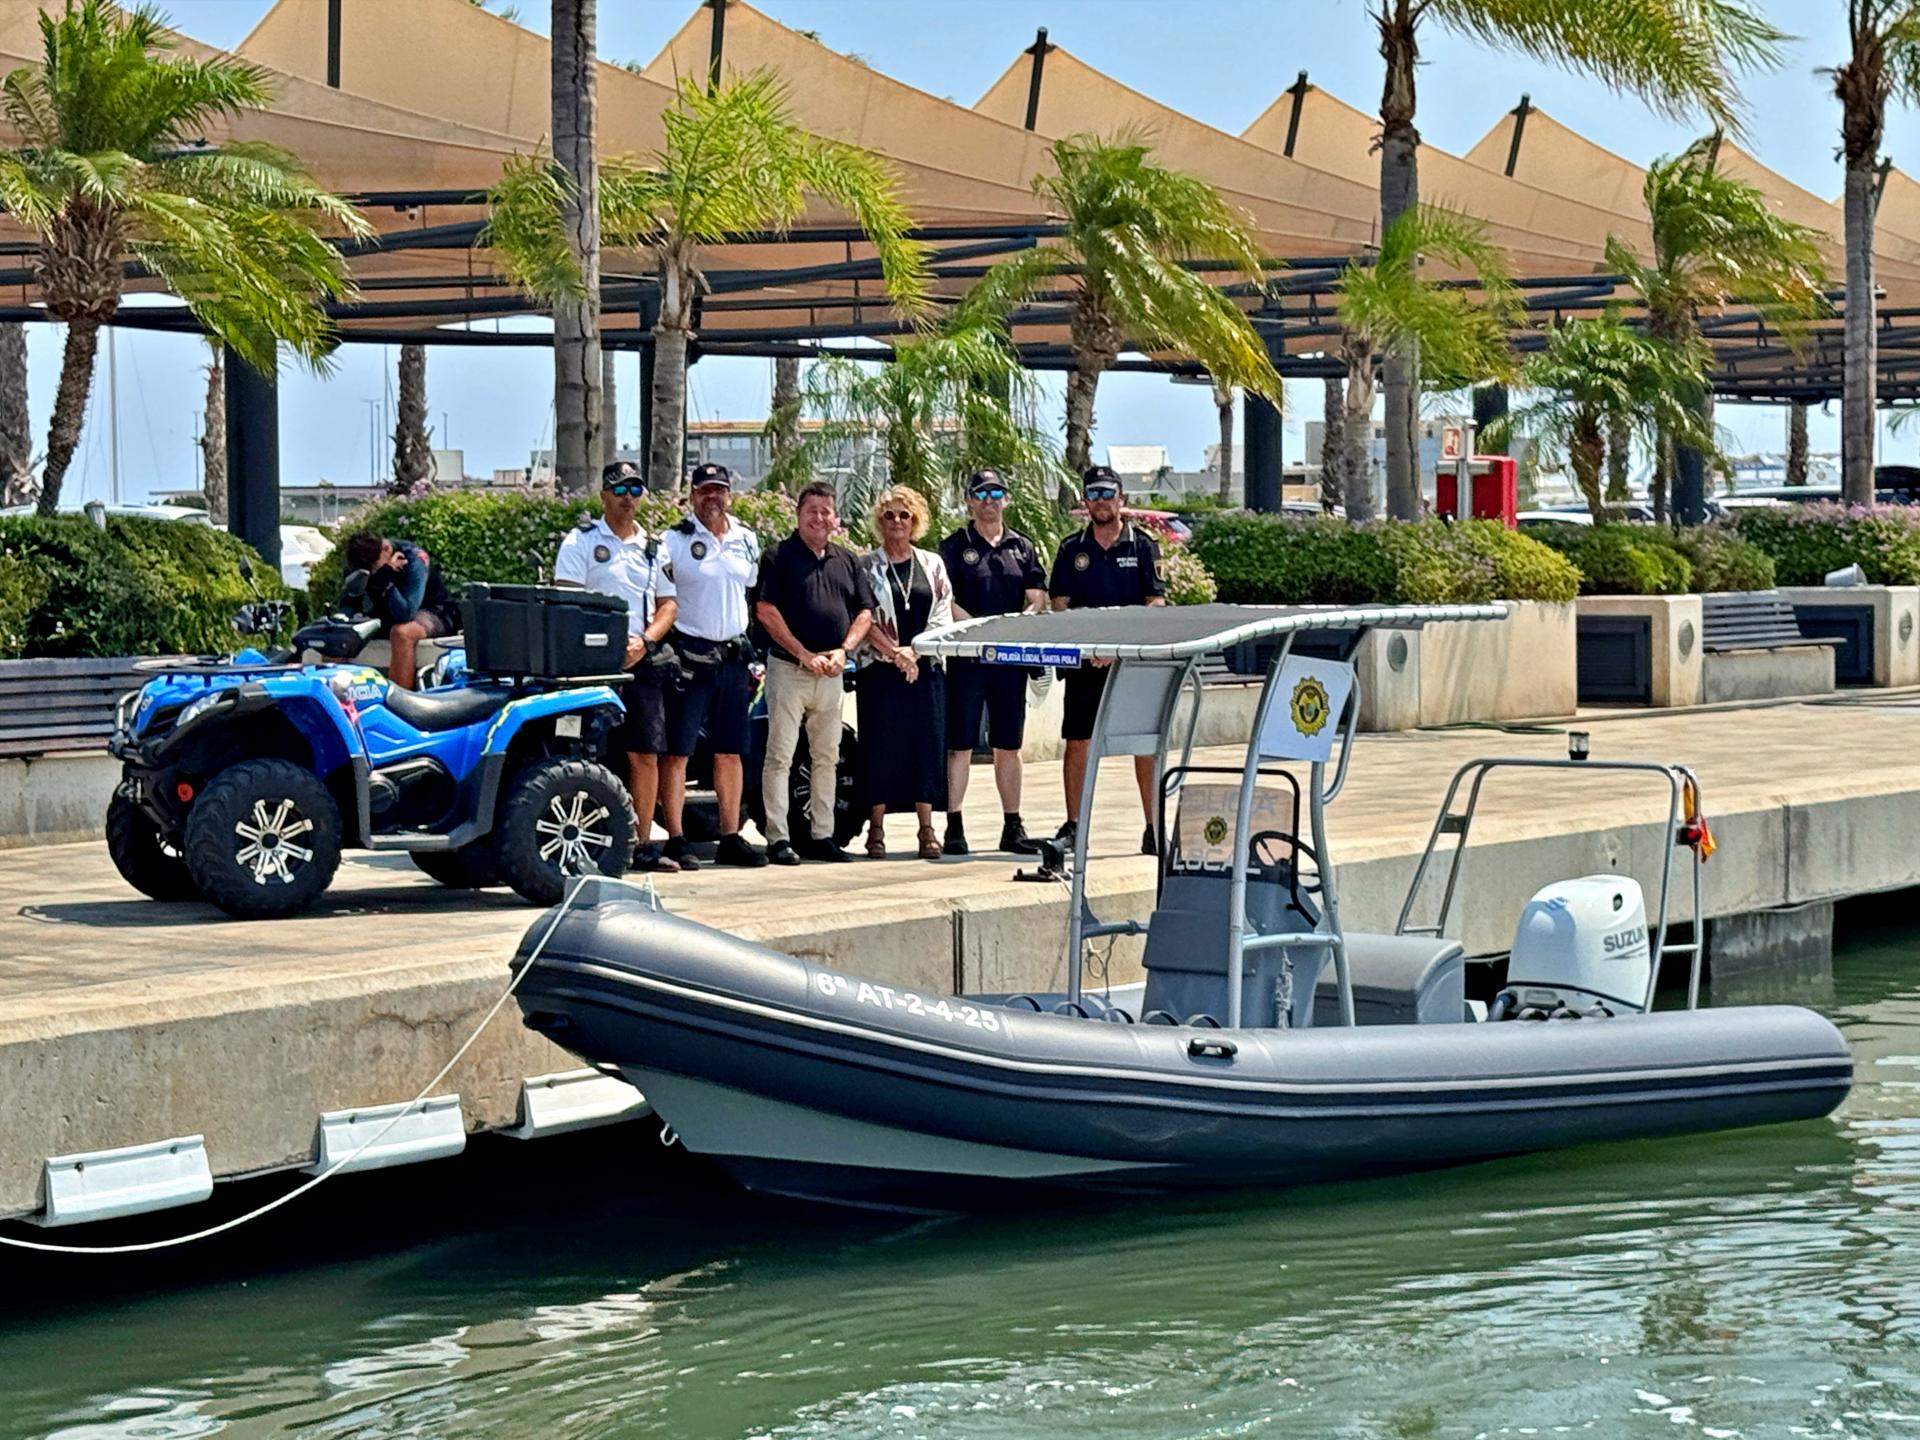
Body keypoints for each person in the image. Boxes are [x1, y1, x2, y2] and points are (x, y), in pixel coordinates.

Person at [554, 461, 680, 871]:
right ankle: (598, 843)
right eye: (620, 489)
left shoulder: (655, 546)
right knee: (592, 753)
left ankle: (642, 843)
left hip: (640, 660)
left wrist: (645, 640)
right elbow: (567, 601)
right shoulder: (581, 541)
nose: (628, 498)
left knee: (645, 753)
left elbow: (668, 605)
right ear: (604, 495)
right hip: (593, 664)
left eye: (635, 490)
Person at [1048, 464, 1167, 856]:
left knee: (1143, 745)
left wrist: (1116, 648)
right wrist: (1090, 649)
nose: (1101, 501)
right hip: (1084, 664)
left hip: (1130, 665)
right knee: (1077, 744)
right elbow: (1060, 607)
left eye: (1107, 493)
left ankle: (1153, 827)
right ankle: (1074, 827)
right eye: (1094, 494)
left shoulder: (1143, 545)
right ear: (1086, 501)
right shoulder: (1070, 549)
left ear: (1122, 499)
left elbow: (1156, 604)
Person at [755, 481, 874, 865]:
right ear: (799, 515)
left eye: (826, 512)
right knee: (780, 756)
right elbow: (766, 612)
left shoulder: (848, 561)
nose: (820, 519)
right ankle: (778, 838)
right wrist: (804, 655)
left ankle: (823, 835)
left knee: (827, 757)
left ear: (835, 518)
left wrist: (845, 650)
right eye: (812, 512)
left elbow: (864, 612)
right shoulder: (778, 557)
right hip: (790, 669)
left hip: (832, 673)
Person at [657, 463, 768, 870]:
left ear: (729, 494)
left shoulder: (746, 538)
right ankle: (675, 837)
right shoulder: (673, 539)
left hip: (732, 658)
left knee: (730, 751)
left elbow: (750, 591)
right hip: (689, 655)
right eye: (705, 491)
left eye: (719, 490)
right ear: (692, 496)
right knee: (679, 751)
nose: (713, 498)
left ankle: (730, 835)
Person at [937, 468, 1047, 856]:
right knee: (961, 744)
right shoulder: (953, 547)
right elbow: (944, 598)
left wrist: (1021, 625)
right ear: (968, 501)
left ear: (1007, 498)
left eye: (996, 492)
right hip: (968, 658)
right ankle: (954, 825)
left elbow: (1036, 596)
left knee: (1008, 745)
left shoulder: (1022, 546)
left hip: (1009, 659)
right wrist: (977, 632)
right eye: (981, 493)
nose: (989, 500)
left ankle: (1012, 825)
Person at [855, 485, 954, 861]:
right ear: (879, 522)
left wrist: (915, 650)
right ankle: (876, 829)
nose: (897, 522)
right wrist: (895, 652)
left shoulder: (932, 563)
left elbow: (942, 612)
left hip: (925, 667)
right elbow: (862, 615)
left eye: (904, 515)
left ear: (916, 521)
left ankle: (927, 828)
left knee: (926, 746)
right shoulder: (866, 565)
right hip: (881, 671)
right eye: (889, 515)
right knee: (881, 749)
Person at [342, 531, 459, 690]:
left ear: (386, 549)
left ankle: (399, 698)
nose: (372, 573)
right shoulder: (362, 561)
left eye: (374, 568)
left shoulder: (414, 558)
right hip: (385, 611)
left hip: (432, 611)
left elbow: (405, 613)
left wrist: (385, 578)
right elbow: (348, 604)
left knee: (402, 633)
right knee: (338, 631)